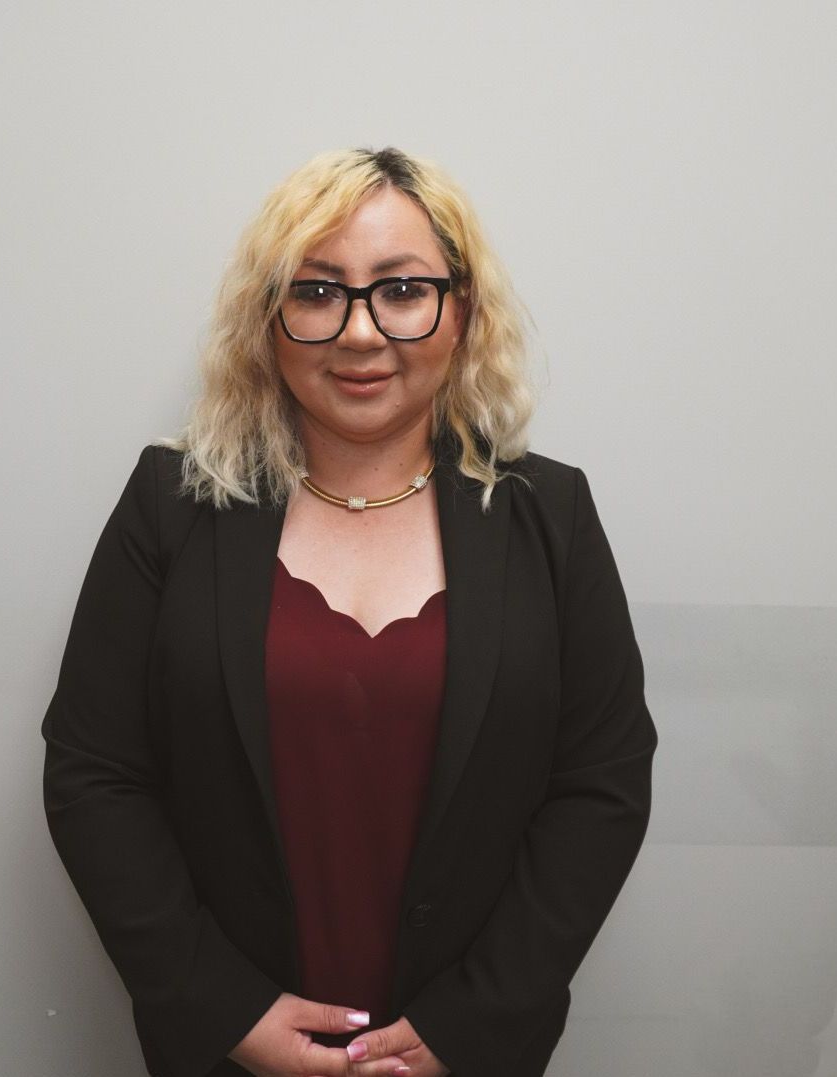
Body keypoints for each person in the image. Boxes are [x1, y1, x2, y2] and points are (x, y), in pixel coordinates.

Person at [40, 146, 658, 1077]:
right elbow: (95, 773)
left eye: (403, 289)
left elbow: (602, 784)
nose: (361, 333)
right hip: (226, 1054)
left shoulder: (550, 516)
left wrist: (472, 1021)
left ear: (463, 312)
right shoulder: (170, 507)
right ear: (269, 320)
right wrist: (224, 1009)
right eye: (319, 291)